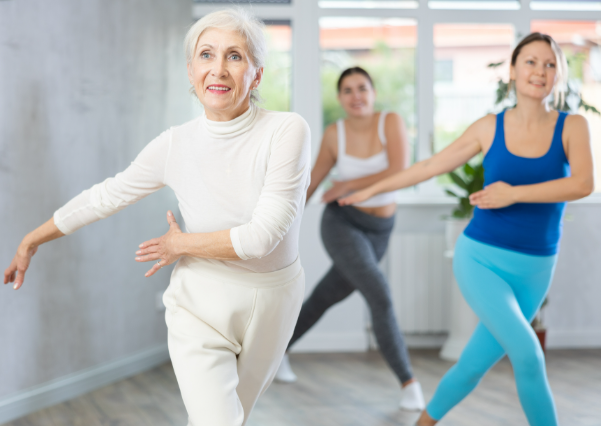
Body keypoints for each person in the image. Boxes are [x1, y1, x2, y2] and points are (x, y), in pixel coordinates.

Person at [4, 9, 311, 426]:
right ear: (190, 70)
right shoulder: (175, 144)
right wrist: (31, 239)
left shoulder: (287, 131)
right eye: (206, 55)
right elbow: (105, 196)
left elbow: (261, 238)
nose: (218, 69)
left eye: (235, 56)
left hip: (275, 300)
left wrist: (180, 244)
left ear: (256, 74)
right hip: (200, 301)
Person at [340, 33, 594, 426]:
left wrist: (513, 194)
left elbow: (582, 184)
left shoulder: (572, 126)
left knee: (473, 364)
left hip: (536, 268)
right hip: (481, 259)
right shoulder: (489, 128)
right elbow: (428, 167)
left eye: (549, 64)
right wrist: (370, 189)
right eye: (530, 62)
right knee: (528, 355)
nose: (540, 71)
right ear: (513, 70)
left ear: (558, 74)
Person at [275, 67, 426, 411]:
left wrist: (348, 184)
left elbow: (400, 171)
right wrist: (279, 222)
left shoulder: (390, 122)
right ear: (340, 98)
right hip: (341, 224)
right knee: (379, 294)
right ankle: (409, 383)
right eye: (347, 90)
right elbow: (312, 182)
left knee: (324, 297)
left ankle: (275, 352)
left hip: (380, 230)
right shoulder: (335, 134)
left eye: (362, 88)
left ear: (373, 93)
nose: (356, 96)